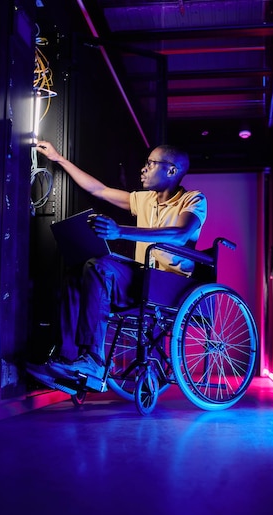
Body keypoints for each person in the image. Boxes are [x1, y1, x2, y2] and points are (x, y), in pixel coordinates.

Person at [27, 140, 207, 394]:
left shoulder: (194, 199)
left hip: (170, 284)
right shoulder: (145, 200)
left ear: (171, 171)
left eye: (150, 163)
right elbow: (99, 189)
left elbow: (180, 234)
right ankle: (68, 359)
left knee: (100, 267)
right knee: (79, 270)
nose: (143, 169)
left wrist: (120, 231)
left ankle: (95, 361)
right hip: (142, 278)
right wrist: (59, 159)